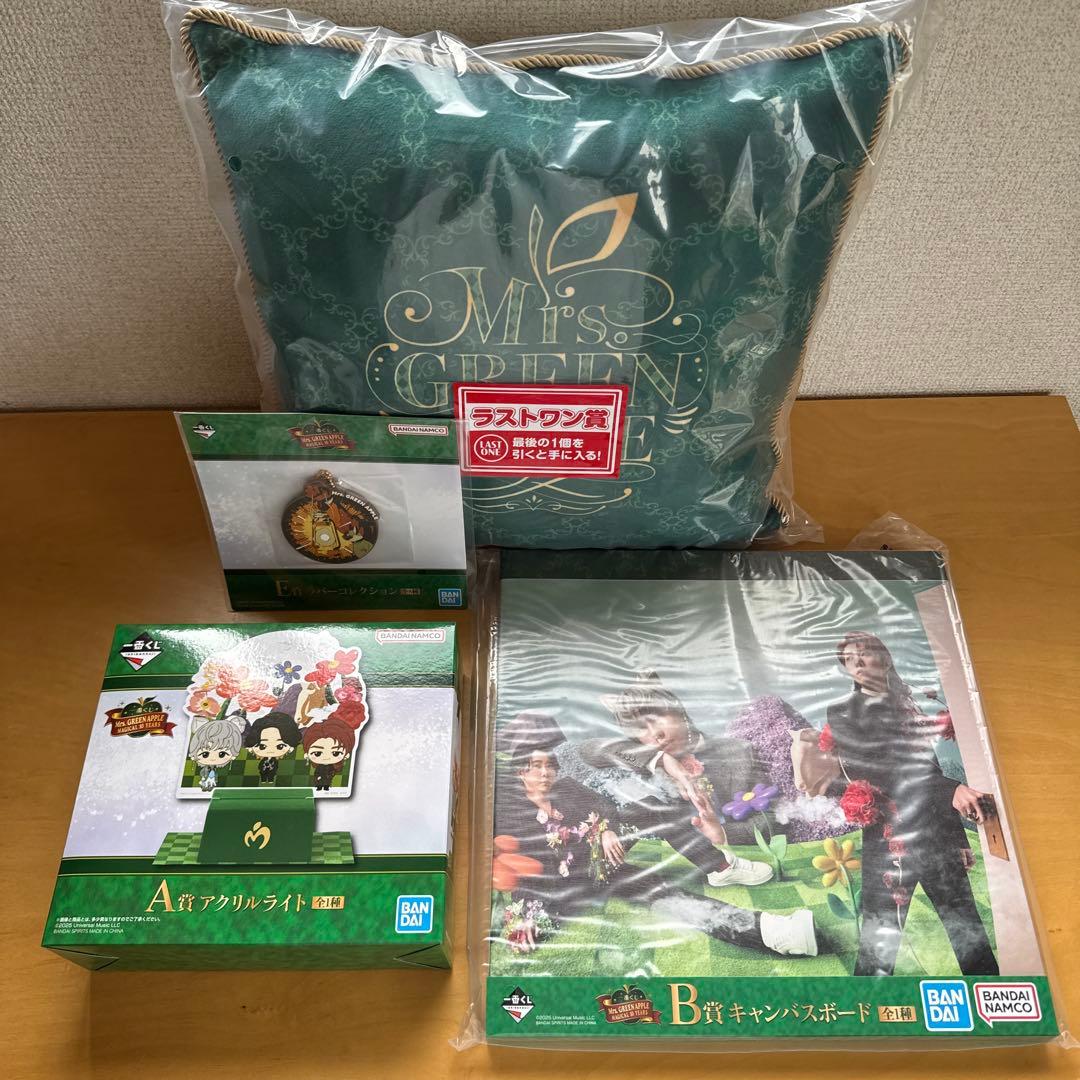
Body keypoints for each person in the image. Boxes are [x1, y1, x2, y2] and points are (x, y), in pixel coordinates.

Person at [495, 712, 816, 959]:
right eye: (536, 766)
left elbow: (604, 806)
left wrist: (606, 830)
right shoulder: (512, 813)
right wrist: (524, 916)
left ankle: (736, 888)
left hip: (605, 857)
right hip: (564, 888)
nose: (546, 773)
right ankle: (771, 932)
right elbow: (525, 870)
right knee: (663, 893)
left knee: (653, 813)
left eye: (550, 764)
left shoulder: (567, 785)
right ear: (521, 770)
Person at [825, 631, 998, 977]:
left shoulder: (907, 706)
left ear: (885, 658)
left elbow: (927, 768)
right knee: (878, 943)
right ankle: (864, 1005)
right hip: (888, 842)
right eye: (848, 660)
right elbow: (877, 769)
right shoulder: (842, 712)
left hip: (936, 839)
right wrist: (949, 789)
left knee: (969, 932)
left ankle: (989, 999)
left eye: (864, 653)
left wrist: (957, 838)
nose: (857, 662)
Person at [578, 672, 774, 887]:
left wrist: (722, 833)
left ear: (678, 711)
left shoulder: (738, 752)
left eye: (656, 718)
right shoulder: (643, 758)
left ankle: (722, 868)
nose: (655, 733)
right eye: (641, 728)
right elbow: (588, 750)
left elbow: (773, 820)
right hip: (657, 854)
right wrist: (660, 759)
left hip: (726, 849)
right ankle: (720, 868)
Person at [244, 711, 302, 784]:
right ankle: (264, 780)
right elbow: (260, 766)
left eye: (280, 746)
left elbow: (276, 767)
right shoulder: (262, 760)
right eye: (262, 746)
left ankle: (270, 780)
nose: (270, 751)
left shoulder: (278, 761)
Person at [187, 718, 243, 792]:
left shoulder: (221, 770)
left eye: (222, 754)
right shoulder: (205, 769)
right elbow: (202, 773)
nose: (213, 758)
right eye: (205, 754)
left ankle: (209, 786)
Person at [302, 717, 356, 791]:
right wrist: (318, 777)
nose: (326, 757)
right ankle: (319, 787)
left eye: (335, 753)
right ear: (306, 754)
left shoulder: (333, 767)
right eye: (317, 753)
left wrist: (330, 776)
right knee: (319, 781)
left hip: (328, 779)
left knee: (327, 782)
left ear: (346, 755)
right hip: (319, 779)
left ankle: (326, 787)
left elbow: (331, 773)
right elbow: (317, 773)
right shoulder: (319, 767)